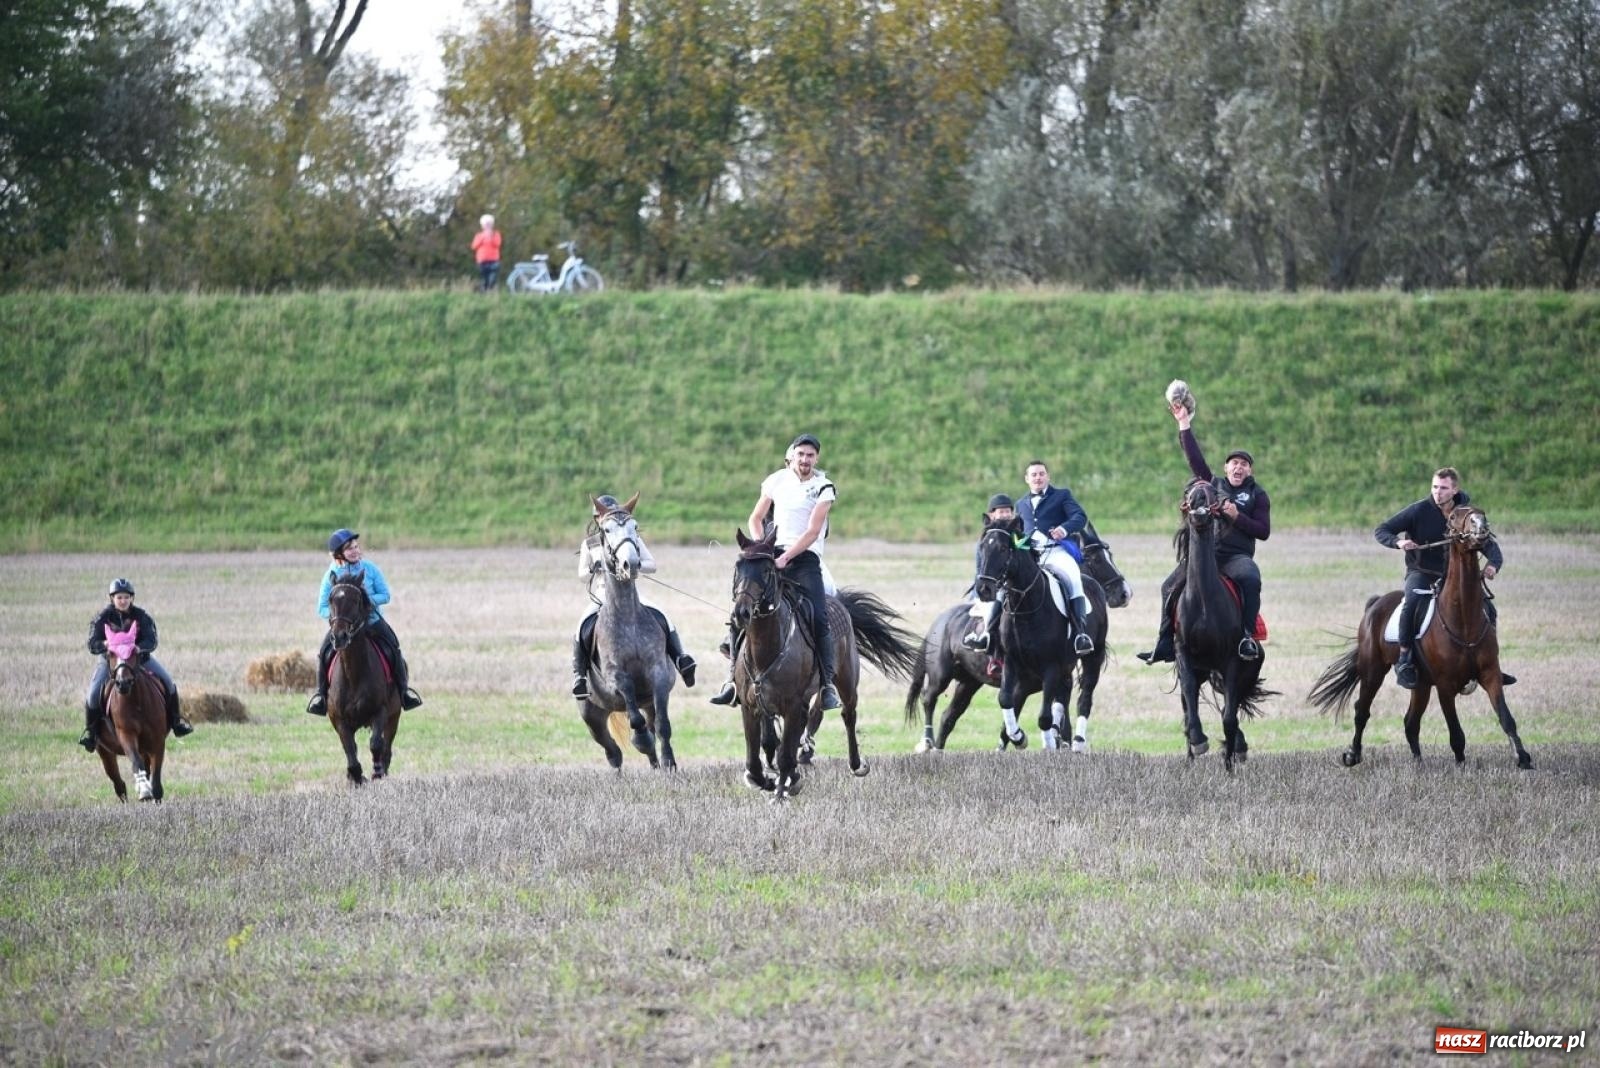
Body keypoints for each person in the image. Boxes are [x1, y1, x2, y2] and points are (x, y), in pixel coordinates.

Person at [710, 433, 841, 710]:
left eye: (810, 455)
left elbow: (813, 531)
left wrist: (787, 558)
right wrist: (762, 547)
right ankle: (732, 682)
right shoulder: (776, 480)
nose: (805, 459)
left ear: (816, 458)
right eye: (801, 454)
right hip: (773, 553)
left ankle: (827, 685)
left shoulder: (823, 487)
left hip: (804, 560)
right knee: (743, 604)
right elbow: (755, 518)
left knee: (818, 617)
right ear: (792, 456)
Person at [1138, 401, 1269, 664]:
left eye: (1244, 464)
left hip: (1236, 557)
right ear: (1225, 468)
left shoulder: (1257, 495)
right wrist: (1183, 422)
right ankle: (1165, 641)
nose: (1238, 467)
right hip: (1206, 556)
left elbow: (1263, 531)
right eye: (1234, 463)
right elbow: (1194, 459)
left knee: (1252, 579)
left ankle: (1246, 637)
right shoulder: (1214, 485)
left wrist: (1237, 517)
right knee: (1168, 586)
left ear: (1249, 470)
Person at [1374, 467, 1513, 689]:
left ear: (1455, 490)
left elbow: (1488, 544)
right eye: (1435, 487)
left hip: (1454, 578)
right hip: (1421, 573)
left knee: (1488, 608)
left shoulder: (1466, 514)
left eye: (1443, 488)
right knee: (1411, 603)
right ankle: (1405, 659)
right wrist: (1398, 542)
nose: (1437, 492)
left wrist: (1493, 566)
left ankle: (1490, 664)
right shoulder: (1418, 511)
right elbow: (1382, 530)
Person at [571, 495, 698, 701]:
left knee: (662, 615)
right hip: (603, 594)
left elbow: (652, 565)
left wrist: (636, 563)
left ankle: (681, 659)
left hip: (630, 593)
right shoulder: (590, 544)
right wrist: (595, 569)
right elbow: (582, 574)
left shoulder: (630, 538)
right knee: (582, 626)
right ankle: (580, 677)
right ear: (598, 520)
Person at [306, 529, 423, 715]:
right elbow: (322, 607)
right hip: (343, 626)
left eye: (356, 547)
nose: (355, 551)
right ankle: (321, 697)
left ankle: (404, 692)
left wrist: (365, 602)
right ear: (338, 554)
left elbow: (385, 595)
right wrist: (340, 615)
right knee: (324, 652)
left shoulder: (370, 569)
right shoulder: (330, 575)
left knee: (394, 647)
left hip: (372, 622)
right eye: (349, 548)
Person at [81, 578, 192, 750]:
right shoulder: (102, 618)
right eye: (119, 597)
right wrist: (104, 645)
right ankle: (92, 734)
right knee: (93, 694)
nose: (123, 600)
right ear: (112, 598)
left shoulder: (142, 616)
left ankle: (176, 722)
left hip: (140, 660)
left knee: (169, 684)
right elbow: (91, 643)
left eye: (126, 597)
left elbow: (152, 639)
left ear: (131, 598)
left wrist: (139, 648)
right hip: (110, 663)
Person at [1009, 460, 1096, 656]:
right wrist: (1017, 543)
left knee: (1074, 579)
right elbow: (1017, 532)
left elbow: (1079, 516)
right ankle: (996, 634)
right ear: (1027, 479)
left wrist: (1064, 529)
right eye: (1034, 475)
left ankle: (1080, 634)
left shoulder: (1062, 495)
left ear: (1048, 476)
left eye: (1041, 474)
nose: (1038, 478)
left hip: (1056, 551)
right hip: (1031, 555)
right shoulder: (1020, 504)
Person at [961, 493, 1016, 653]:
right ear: (992, 515)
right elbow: (981, 570)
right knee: (996, 601)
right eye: (1001, 512)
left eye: (1008, 511)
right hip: (992, 585)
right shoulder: (986, 540)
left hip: (1014, 584)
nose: (1005, 515)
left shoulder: (1016, 534)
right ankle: (985, 636)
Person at [471, 214, 502, 292]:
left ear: (492, 225)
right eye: (486, 224)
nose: (488, 226)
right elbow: (474, 246)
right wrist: (483, 237)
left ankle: (489, 290)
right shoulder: (478, 235)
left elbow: (497, 244)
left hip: (494, 260)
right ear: (482, 226)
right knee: (484, 279)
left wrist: (491, 236)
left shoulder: (496, 234)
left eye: (489, 224)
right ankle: (484, 294)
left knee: (492, 279)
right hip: (482, 261)